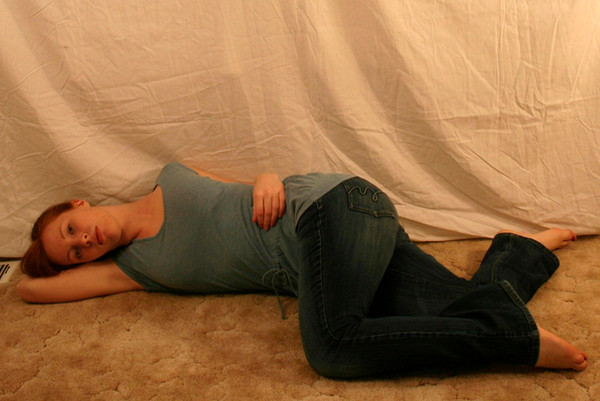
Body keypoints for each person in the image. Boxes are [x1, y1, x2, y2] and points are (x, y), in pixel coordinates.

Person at [16, 162, 588, 378]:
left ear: (78, 205)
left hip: (330, 207)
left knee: (332, 347)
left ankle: (511, 341)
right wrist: (42, 258)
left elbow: (250, 181)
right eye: (75, 253)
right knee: (459, 304)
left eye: (71, 230)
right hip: (345, 253)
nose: (84, 242)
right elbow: (28, 289)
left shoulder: (172, 175)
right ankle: (520, 255)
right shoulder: (134, 269)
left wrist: (267, 178)